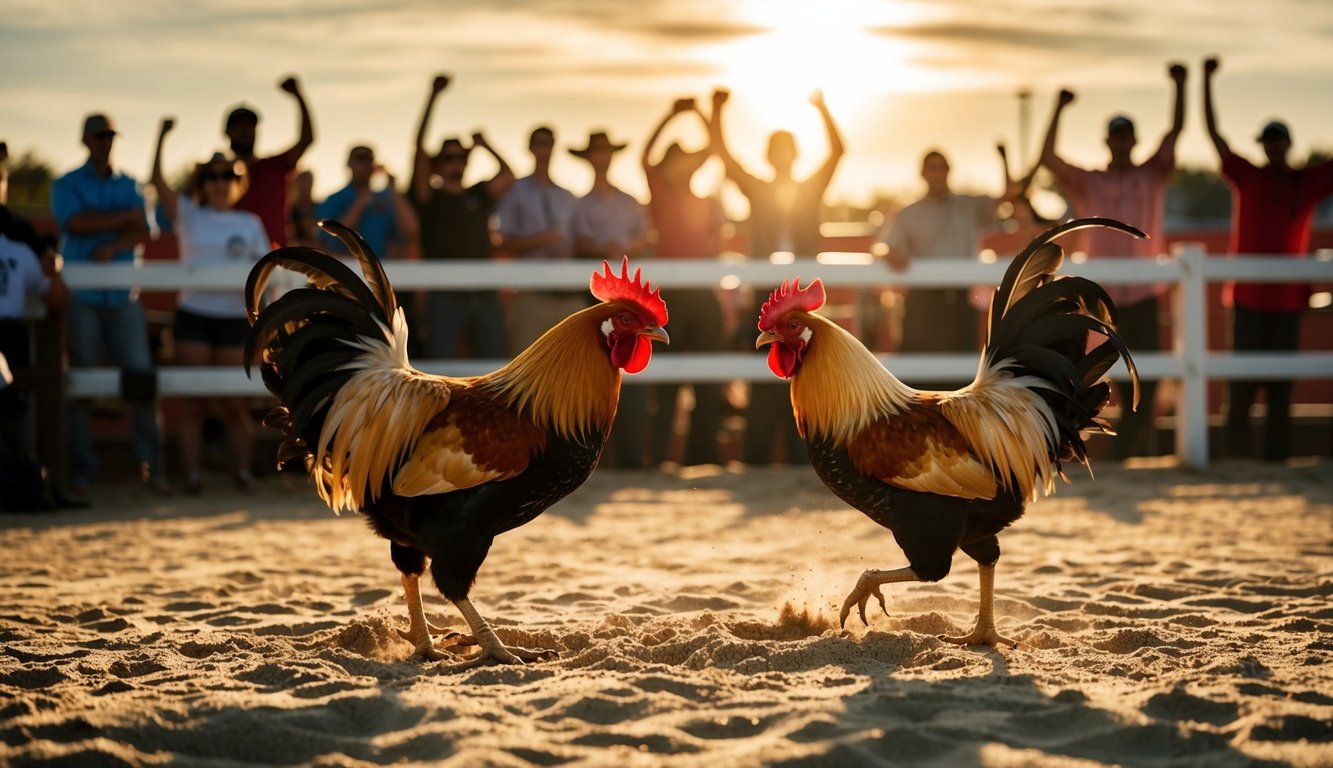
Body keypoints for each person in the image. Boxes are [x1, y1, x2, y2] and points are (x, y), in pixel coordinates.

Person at [1037, 62, 1187, 458]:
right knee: (1092, 378)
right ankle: (1095, 452)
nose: (1121, 141)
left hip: (1142, 294)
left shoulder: (1151, 175)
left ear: (1132, 140)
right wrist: (1058, 107)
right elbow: (1048, 157)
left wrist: (1181, 85)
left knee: (1148, 381)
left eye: (1126, 135)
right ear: (1109, 141)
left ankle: (1129, 455)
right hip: (1100, 299)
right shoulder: (1090, 182)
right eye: (1116, 135)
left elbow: (1175, 133)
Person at [1203, 56, 1333, 462]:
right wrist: (1206, 82)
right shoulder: (1249, 177)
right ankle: (1236, 463)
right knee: (1239, 392)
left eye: (1279, 140)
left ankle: (1276, 462)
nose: (1274, 147)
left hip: (1288, 303)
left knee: (1281, 391)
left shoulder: (1306, 183)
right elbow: (1215, 135)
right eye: (1269, 141)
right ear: (1264, 145)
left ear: (1287, 145)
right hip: (1247, 301)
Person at [710, 87, 845, 465]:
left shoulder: (810, 190)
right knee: (763, 385)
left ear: (794, 155)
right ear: (770, 156)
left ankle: (805, 462)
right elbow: (725, 156)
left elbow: (837, 152)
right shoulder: (758, 189)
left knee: (806, 383)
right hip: (767, 302)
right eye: (777, 150)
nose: (782, 156)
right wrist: (717, 111)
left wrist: (823, 108)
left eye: (787, 149)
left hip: (803, 305)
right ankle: (756, 460)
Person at [150, 118, 271, 494]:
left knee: (235, 403)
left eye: (227, 175)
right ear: (202, 183)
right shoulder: (189, 213)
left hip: (236, 317)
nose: (220, 182)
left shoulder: (250, 222)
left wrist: (266, 323)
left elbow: (265, 273)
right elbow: (156, 181)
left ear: (238, 182)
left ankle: (243, 473)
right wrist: (162, 136)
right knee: (194, 402)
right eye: (212, 176)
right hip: (195, 315)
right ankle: (192, 476)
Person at [51, 113, 168, 499]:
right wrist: (123, 222)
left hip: (122, 296)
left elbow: (144, 229)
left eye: (109, 136)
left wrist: (113, 243)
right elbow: (75, 224)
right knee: (81, 382)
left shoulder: (131, 183)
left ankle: (150, 467)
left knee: (140, 380)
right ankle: (82, 471)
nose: (105, 142)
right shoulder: (68, 184)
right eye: (99, 136)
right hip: (85, 297)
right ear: (86, 140)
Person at [878, 149, 1018, 388]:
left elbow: (1011, 196)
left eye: (941, 167)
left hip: (960, 303)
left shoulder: (969, 206)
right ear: (923, 173)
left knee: (961, 381)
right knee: (915, 380)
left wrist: (1005, 158)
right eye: (932, 168)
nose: (937, 173)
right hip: (922, 305)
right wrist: (889, 253)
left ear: (948, 172)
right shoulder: (908, 213)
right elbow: (884, 247)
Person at [642, 97, 728, 466]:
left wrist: (706, 114)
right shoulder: (661, 194)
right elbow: (645, 157)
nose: (685, 166)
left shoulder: (706, 201)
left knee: (710, 382)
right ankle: (660, 456)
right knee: (667, 383)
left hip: (703, 296)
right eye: (677, 161)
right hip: (670, 298)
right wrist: (672, 116)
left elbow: (713, 150)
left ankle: (703, 457)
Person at [410, 74, 514, 360]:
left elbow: (508, 176)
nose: (456, 162)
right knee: (439, 367)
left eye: (461, 157)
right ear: (438, 164)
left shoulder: (478, 194)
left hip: (484, 292)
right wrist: (433, 97)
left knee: (494, 364)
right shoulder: (430, 198)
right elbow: (418, 148)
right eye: (448, 157)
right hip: (444, 294)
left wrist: (485, 144)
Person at [569, 130, 650, 467]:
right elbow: (579, 243)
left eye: (605, 151)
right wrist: (609, 250)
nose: (602, 157)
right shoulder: (583, 204)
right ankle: (600, 455)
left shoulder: (627, 201)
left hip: (622, 295)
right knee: (595, 373)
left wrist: (624, 249)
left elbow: (645, 237)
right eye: (597, 152)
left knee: (624, 371)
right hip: (597, 298)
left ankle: (629, 454)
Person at [493, 126, 582, 352]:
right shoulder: (516, 191)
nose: (544, 150)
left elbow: (576, 241)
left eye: (548, 144)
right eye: (539, 144)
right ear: (530, 148)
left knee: (572, 367)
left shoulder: (566, 195)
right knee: (527, 369)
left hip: (565, 292)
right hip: (531, 294)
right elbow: (504, 242)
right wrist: (544, 240)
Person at [224, 75, 315, 248]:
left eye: (250, 126)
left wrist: (298, 96)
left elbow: (306, 139)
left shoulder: (274, 166)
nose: (245, 130)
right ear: (227, 131)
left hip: (276, 258)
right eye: (239, 126)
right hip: (232, 258)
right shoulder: (218, 176)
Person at [317, 145, 418, 260]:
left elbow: (411, 231)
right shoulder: (334, 199)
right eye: (360, 158)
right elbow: (326, 240)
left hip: (381, 269)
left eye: (370, 160)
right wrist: (360, 204)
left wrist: (392, 188)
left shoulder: (384, 199)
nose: (366, 164)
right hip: (346, 268)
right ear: (349, 163)